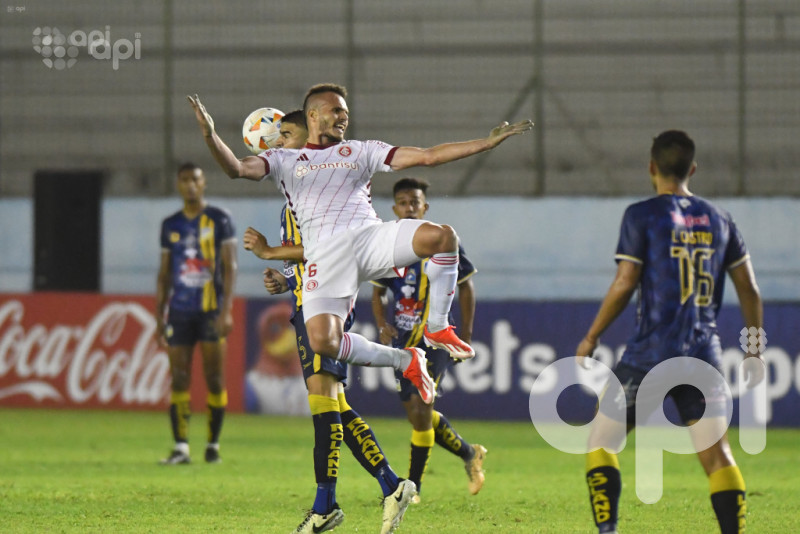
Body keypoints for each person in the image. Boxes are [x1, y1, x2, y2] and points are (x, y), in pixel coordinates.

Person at [188, 84, 533, 407]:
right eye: (335, 110)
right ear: (312, 116)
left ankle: (438, 326)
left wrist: (484, 144)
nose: (343, 116)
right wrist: (209, 135)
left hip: (370, 240)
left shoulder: (360, 151)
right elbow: (235, 169)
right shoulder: (282, 161)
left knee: (444, 237)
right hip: (325, 256)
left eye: (345, 111)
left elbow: (428, 156)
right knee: (324, 342)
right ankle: (405, 359)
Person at [575, 130, 765, 534]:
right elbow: (750, 290)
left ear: (651, 167)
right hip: (703, 355)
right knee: (718, 457)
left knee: (601, 440)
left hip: (649, 352)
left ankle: (607, 531)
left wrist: (592, 336)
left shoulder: (641, 215)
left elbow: (626, 281)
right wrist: (753, 349)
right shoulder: (720, 219)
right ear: (692, 169)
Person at [242, 110, 415, 534]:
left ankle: (326, 506)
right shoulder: (292, 193)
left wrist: (270, 253)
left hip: (325, 307)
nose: (279, 141)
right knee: (335, 406)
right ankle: (392, 485)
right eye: (278, 135)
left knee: (325, 408)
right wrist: (284, 280)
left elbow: (330, 247)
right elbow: (310, 255)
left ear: (310, 137)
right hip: (308, 302)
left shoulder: (322, 182)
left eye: (287, 133)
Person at [371, 177, 487, 502]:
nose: (410, 207)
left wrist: (464, 333)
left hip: (433, 339)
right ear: (395, 208)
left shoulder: (439, 239)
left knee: (422, 409)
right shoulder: (387, 243)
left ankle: (413, 488)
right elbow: (377, 293)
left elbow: (465, 285)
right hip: (402, 340)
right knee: (417, 414)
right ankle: (469, 453)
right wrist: (382, 324)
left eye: (415, 202)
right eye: (404, 202)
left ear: (425, 207)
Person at [154, 162, 237, 465]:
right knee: (179, 377)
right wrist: (158, 317)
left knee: (214, 378)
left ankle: (213, 445)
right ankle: (181, 448)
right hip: (179, 312)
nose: (190, 185)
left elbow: (230, 266)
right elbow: (163, 274)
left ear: (203, 184)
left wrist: (227, 310)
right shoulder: (170, 225)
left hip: (211, 311)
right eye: (184, 180)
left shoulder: (220, 220)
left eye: (195, 180)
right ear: (178, 184)